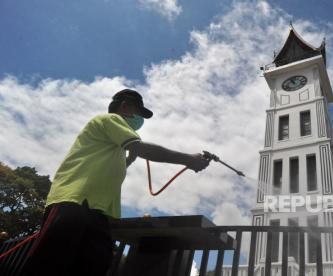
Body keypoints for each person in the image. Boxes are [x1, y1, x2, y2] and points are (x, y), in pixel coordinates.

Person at [20, 89, 210, 276]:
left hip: (97, 211)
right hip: (74, 200)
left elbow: (104, 168)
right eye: (138, 111)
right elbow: (142, 148)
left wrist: (127, 162)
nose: (139, 119)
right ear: (125, 105)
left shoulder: (114, 145)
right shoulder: (110, 119)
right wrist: (188, 159)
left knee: (94, 263)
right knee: (50, 264)